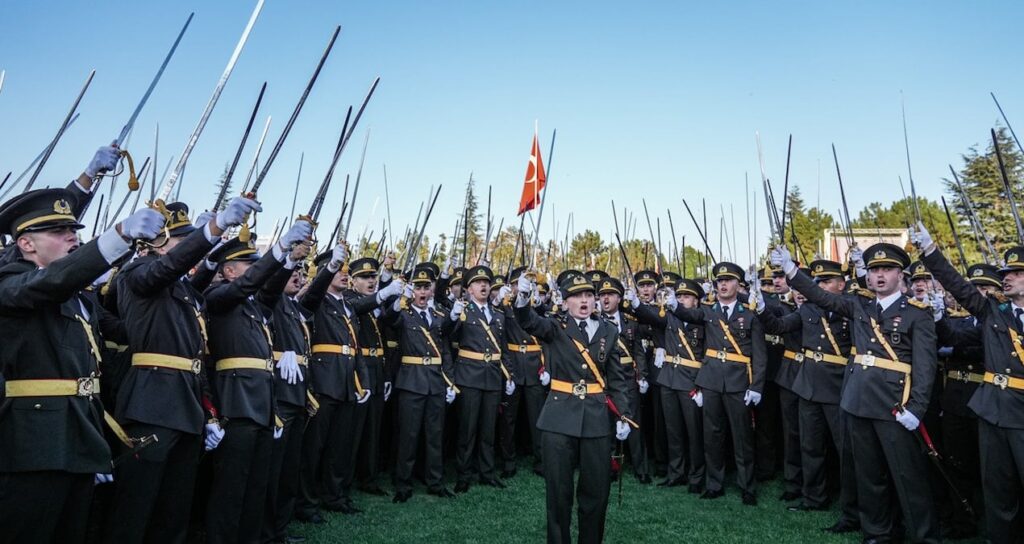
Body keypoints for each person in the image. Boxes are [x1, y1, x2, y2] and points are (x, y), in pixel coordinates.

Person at [0, 181, 165, 543]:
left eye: (74, 230)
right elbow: (51, 281)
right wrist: (117, 236)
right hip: (32, 443)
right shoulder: (10, 283)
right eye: (58, 232)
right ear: (26, 243)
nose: (72, 237)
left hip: (78, 432)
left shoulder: (78, 299)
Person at [105, 197, 256, 544]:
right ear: (154, 243)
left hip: (185, 405)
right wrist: (211, 231)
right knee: (134, 508)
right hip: (151, 403)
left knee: (174, 511)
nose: (190, 249)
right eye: (182, 241)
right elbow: (167, 268)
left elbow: (195, 352)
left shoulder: (185, 290)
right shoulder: (137, 272)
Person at [773, 241, 940, 543]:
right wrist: (790, 269)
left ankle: (922, 535)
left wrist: (916, 408)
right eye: (875, 269)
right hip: (857, 401)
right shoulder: (858, 304)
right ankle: (876, 532)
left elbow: (925, 368)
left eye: (887, 269)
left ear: (900, 274)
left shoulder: (918, 313)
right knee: (868, 474)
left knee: (907, 476)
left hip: (895, 405)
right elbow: (820, 296)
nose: (879, 276)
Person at [202, 220, 313, 544]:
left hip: (262, 404)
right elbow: (246, 287)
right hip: (236, 404)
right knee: (231, 489)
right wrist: (278, 251)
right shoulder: (218, 295)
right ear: (230, 270)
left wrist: (289, 260)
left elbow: (271, 287)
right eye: (249, 265)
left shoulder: (253, 306)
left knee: (255, 486)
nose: (255, 271)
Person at [916, 224, 1024, 544]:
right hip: (992, 408)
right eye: (1005, 272)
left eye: (1016, 272)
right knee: (998, 486)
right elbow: (959, 287)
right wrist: (931, 252)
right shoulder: (994, 310)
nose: (1006, 277)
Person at [513, 271, 634, 544]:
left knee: (596, 492)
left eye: (589, 295)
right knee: (558, 492)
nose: (584, 300)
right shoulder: (554, 327)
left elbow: (617, 378)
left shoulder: (609, 331)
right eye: (576, 296)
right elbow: (528, 321)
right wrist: (521, 298)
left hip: (596, 419)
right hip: (558, 418)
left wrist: (623, 415)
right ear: (565, 302)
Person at [634, 262, 767, 505]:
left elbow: (759, 355)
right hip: (711, 380)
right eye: (719, 282)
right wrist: (674, 304)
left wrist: (756, 386)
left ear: (739, 285)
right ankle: (713, 483)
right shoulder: (708, 311)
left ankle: (747, 486)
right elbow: (688, 315)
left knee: (742, 437)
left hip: (739, 381)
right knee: (711, 436)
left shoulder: (750, 313)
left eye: (728, 281)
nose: (723, 285)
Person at [755, 259, 860, 525]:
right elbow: (779, 327)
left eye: (826, 281)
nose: (820, 286)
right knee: (809, 446)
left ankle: (852, 507)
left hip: (839, 387)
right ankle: (814, 497)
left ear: (841, 283)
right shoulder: (808, 308)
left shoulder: (853, 306)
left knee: (846, 451)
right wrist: (760, 308)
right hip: (809, 386)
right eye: (818, 282)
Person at [384, 264, 458, 503]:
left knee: (435, 435)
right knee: (409, 435)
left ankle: (435, 482)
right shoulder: (404, 313)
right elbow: (389, 318)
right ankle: (403, 484)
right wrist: (398, 301)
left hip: (435, 382)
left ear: (432, 289)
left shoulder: (439, 316)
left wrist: (450, 382)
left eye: (426, 287)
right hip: (411, 382)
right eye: (418, 287)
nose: (423, 292)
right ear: (411, 290)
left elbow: (445, 349)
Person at [630, 278, 706, 492]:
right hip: (669, 379)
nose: (682, 300)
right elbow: (650, 316)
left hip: (691, 380)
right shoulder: (669, 317)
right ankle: (676, 472)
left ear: (697, 301)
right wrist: (636, 304)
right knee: (672, 430)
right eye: (679, 296)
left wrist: (701, 384)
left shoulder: (702, 320)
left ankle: (696, 475)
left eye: (687, 297)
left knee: (694, 431)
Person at [445, 265, 515, 492]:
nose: (483, 285)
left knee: (488, 429)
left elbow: (503, 348)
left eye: (486, 282)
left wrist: (509, 374)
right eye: (477, 282)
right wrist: (453, 316)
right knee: (467, 429)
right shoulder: (463, 311)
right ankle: (464, 475)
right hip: (469, 375)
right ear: (468, 289)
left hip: (493, 376)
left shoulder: (498, 315)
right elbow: (447, 335)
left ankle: (487, 472)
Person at [599, 277, 651, 484]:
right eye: (602, 295)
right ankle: (611, 467)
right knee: (609, 426)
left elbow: (638, 352)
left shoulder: (631, 322)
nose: (605, 299)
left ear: (619, 298)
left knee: (633, 423)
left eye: (610, 295)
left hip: (628, 377)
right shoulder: (595, 321)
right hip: (605, 379)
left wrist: (643, 376)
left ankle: (642, 469)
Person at [498, 266, 548, 478]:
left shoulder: (537, 305)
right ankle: (508, 461)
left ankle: (541, 460)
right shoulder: (504, 306)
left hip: (535, 366)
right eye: (518, 283)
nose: (523, 287)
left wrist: (547, 367)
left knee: (538, 417)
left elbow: (547, 334)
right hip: (513, 365)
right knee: (508, 418)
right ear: (511, 286)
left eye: (528, 283)